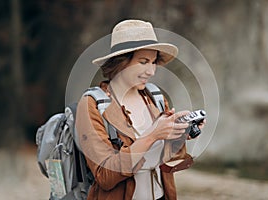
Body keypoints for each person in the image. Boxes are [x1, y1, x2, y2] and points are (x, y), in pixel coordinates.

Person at [76, 19, 205, 200]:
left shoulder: (155, 98)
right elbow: (105, 175)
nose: (151, 71)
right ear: (121, 62)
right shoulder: (92, 104)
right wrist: (152, 135)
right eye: (143, 62)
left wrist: (180, 133)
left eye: (153, 62)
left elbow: (167, 157)